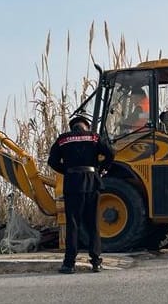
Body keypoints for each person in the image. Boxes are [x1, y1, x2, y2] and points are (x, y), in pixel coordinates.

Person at [47, 115, 115, 274]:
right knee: (93, 224)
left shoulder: (63, 139)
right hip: (92, 183)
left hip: (72, 184)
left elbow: (52, 161)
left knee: (73, 224)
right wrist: (100, 168)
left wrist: (67, 171)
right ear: (86, 125)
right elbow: (111, 153)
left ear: (73, 127)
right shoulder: (94, 137)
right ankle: (96, 262)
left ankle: (69, 264)